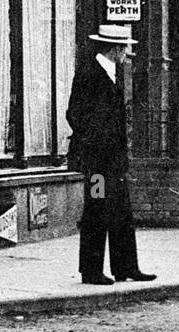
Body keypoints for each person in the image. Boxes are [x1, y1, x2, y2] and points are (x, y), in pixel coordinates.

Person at [66, 23, 156, 286]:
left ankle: (126, 267)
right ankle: (91, 271)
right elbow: (75, 114)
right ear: (114, 48)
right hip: (97, 163)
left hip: (114, 162)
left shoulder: (112, 73)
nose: (127, 54)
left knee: (121, 211)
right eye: (125, 48)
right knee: (96, 210)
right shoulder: (88, 74)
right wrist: (96, 143)